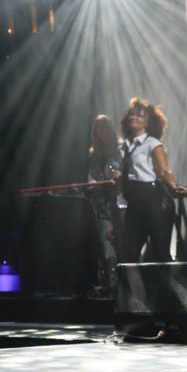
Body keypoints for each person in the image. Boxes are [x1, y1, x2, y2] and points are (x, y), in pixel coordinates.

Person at [116, 98, 187, 263]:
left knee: (160, 251)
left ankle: (168, 280)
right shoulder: (125, 145)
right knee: (128, 252)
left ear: (148, 122)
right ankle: (134, 281)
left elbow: (163, 171)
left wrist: (173, 187)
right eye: (132, 114)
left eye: (140, 115)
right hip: (134, 201)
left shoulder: (152, 143)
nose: (134, 117)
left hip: (155, 200)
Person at [84, 115, 123, 294]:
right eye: (98, 128)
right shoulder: (93, 153)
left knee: (121, 242)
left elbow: (123, 172)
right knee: (105, 244)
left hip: (121, 201)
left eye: (104, 126)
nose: (102, 131)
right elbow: (92, 177)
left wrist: (117, 178)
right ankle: (109, 283)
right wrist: (90, 187)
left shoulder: (121, 148)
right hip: (100, 204)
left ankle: (124, 283)